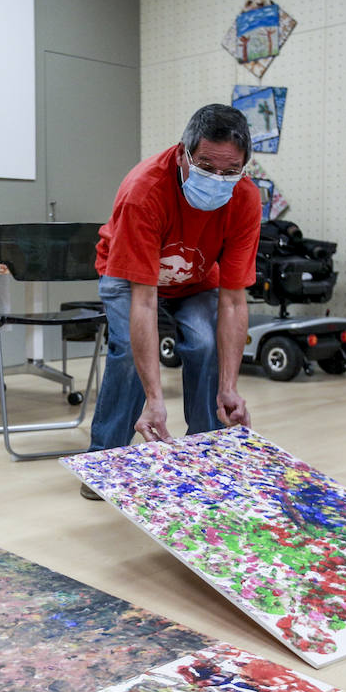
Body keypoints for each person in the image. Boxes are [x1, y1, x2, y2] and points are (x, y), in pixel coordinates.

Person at [81, 104, 262, 499]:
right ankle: (105, 461)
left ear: (245, 166)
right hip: (128, 274)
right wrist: (154, 400)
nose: (218, 179)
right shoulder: (144, 190)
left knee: (204, 341)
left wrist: (230, 387)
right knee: (128, 348)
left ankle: (207, 453)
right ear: (183, 153)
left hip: (195, 279)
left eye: (230, 171)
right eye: (206, 165)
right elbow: (143, 303)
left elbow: (233, 301)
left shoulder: (245, 199)